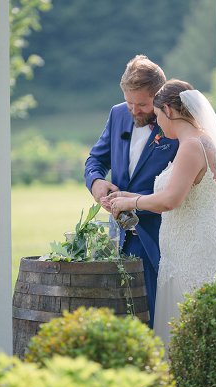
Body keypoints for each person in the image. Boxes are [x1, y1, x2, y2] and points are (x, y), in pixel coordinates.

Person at [106, 80, 216, 345]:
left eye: (157, 116)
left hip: (193, 253)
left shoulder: (190, 146)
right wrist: (126, 196)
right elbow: (185, 194)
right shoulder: (202, 140)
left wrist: (131, 204)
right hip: (195, 246)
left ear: (169, 110)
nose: (158, 124)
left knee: (188, 335)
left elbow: (171, 200)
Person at [84, 55, 175, 329]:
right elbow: (95, 160)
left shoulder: (175, 121)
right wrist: (96, 182)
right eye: (129, 102)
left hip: (158, 236)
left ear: (159, 97)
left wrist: (134, 202)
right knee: (119, 317)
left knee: (155, 318)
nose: (134, 110)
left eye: (142, 104)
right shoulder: (117, 113)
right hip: (118, 235)